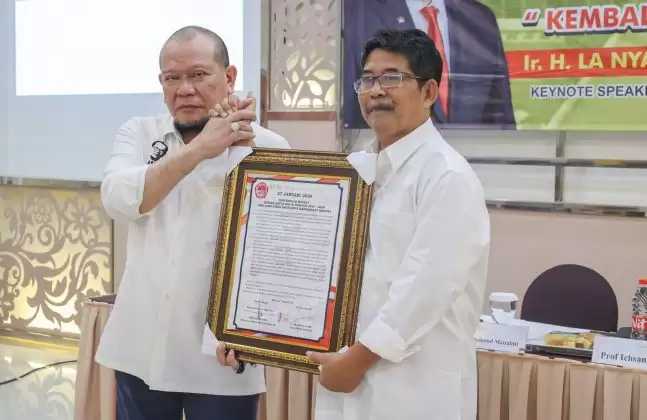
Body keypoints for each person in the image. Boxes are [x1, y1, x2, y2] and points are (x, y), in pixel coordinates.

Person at [95, 26, 290, 420]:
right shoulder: (139, 133)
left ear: (229, 77)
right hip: (141, 347)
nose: (184, 89)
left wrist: (256, 330)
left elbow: (279, 253)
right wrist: (201, 148)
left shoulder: (269, 147)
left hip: (223, 356)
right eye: (172, 78)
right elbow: (118, 200)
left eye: (199, 75)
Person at [307, 28, 490, 420]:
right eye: (367, 79)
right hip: (346, 376)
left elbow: (425, 289)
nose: (376, 91)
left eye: (392, 78)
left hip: (412, 388)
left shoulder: (447, 176)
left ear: (429, 92)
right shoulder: (355, 169)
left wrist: (356, 361)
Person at [343, 0, 515, 130]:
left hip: (472, 163)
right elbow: (348, 112)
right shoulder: (356, 12)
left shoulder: (480, 18)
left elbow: (501, 120)